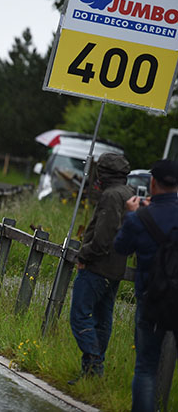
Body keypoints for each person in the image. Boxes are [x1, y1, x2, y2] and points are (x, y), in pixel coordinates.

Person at [114, 159, 178, 412]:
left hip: (152, 299)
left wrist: (130, 215)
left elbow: (121, 247)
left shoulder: (140, 217)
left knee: (146, 367)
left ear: (153, 183)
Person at [68, 153, 133, 383]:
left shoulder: (111, 196)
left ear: (103, 174)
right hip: (116, 268)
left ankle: (93, 363)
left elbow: (103, 237)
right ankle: (93, 374)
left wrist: (83, 254)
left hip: (97, 267)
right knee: (103, 319)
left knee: (79, 315)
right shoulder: (129, 193)